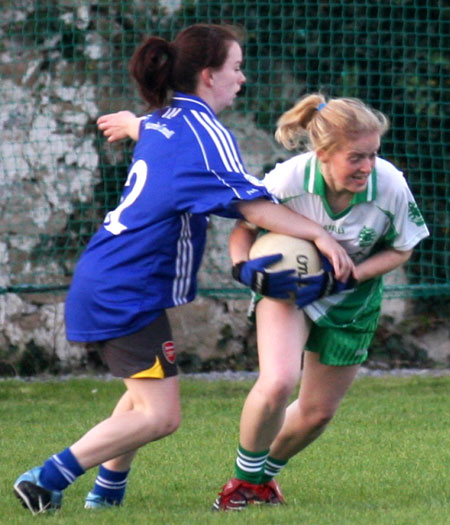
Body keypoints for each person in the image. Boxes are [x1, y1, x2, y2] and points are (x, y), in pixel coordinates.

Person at [13, 25, 352, 515]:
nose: (242, 77)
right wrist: (319, 234)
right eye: (235, 67)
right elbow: (251, 207)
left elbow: (146, 130)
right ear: (209, 75)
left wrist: (131, 122)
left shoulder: (165, 119)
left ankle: (107, 492)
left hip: (115, 277)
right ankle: (45, 478)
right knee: (161, 414)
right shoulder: (203, 132)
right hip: (125, 287)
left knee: (143, 392)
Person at [212, 94, 430, 510]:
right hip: (287, 290)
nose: (368, 167)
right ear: (324, 154)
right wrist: (242, 266)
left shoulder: (390, 185)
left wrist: (341, 278)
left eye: (373, 155)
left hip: (352, 295)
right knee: (277, 382)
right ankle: (239, 485)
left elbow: (402, 250)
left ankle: (261, 479)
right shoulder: (288, 180)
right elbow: (244, 226)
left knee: (317, 413)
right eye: (356, 158)